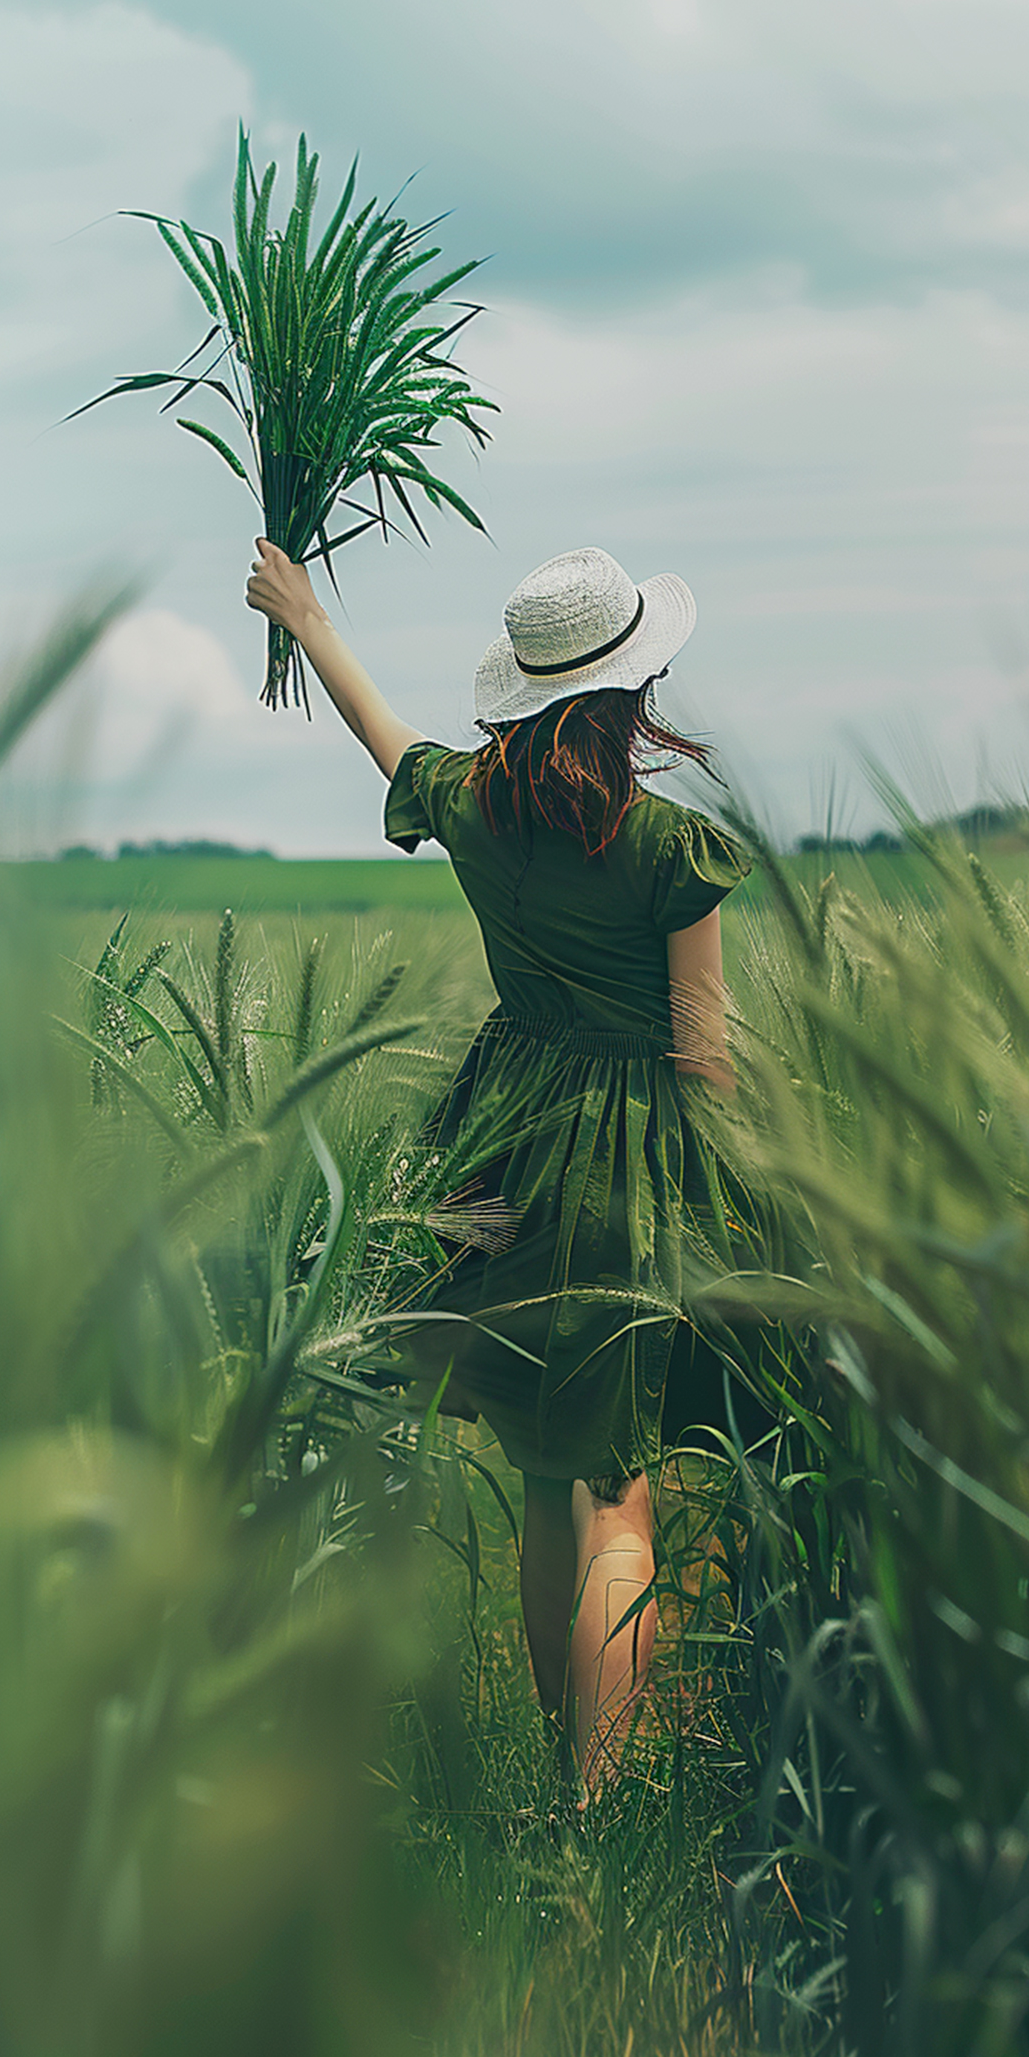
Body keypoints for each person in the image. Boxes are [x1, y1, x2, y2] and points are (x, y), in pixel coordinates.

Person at [246, 537, 776, 1795]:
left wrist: (304, 613)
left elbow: (383, 732)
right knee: (620, 1492)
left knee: (546, 1474)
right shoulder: (670, 853)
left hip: (498, 1152)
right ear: (629, 692)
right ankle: (596, 1800)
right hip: (628, 1170)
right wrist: (743, 1197)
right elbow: (706, 1062)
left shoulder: (471, 809)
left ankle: (561, 1761)